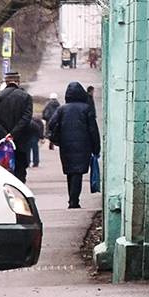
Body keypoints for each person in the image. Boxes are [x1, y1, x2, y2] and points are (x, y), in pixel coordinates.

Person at [47, 81, 101, 209]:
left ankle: (72, 199)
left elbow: (51, 124)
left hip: (66, 145)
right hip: (83, 145)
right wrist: (96, 147)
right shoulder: (86, 109)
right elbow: (93, 129)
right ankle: (74, 201)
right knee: (78, 173)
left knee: (70, 172)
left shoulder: (62, 109)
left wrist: (60, 132)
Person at [0, 76, 33, 182]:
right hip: (20, 141)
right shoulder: (26, 97)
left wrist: (4, 134)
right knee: (20, 170)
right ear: (18, 82)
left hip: (1, 142)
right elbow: (26, 118)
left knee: (2, 170)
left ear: (6, 82)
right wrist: (13, 134)